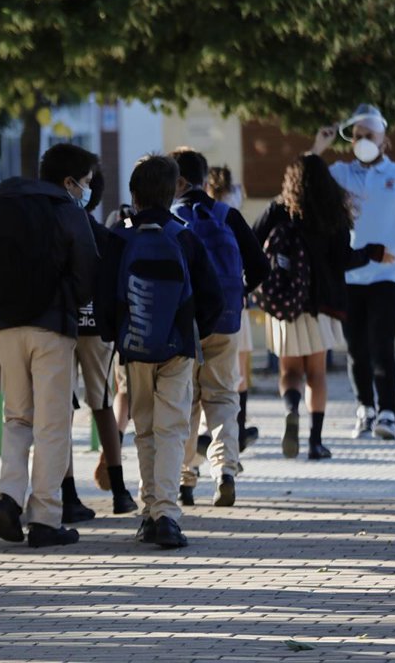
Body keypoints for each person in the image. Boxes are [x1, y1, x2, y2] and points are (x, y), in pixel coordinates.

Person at [0, 143, 99, 548]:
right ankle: (44, 517)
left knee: (17, 418)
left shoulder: (4, 203)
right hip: (52, 327)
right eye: (86, 182)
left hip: (5, 326)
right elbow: (88, 268)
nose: (86, 190)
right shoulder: (67, 211)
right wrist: (68, 301)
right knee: (52, 423)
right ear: (70, 181)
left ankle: (7, 495)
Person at [97, 155, 224, 548]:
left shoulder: (119, 237)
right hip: (177, 347)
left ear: (134, 195)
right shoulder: (184, 236)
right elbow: (213, 298)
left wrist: (115, 335)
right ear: (172, 194)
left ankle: (149, 512)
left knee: (146, 430)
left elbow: (103, 296)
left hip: (134, 347)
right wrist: (193, 331)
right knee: (172, 430)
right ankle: (167, 515)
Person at [252, 155, 393, 460]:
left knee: (289, 370)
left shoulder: (279, 209)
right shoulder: (333, 212)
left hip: (285, 304)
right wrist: (372, 253)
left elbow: (251, 242)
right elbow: (343, 259)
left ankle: (291, 410)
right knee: (316, 373)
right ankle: (315, 442)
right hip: (321, 306)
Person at [311, 104, 395, 441]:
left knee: (382, 345)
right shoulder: (339, 174)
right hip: (348, 277)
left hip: (385, 278)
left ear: (384, 141)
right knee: (356, 349)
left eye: (369, 135)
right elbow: (303, 181)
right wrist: (317, 148)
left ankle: (388, 414)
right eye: (358, 136)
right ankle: (365, 409)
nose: (363, 141)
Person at [171, 148, 269, 507]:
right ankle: (225, 470)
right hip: (227, 320)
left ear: (179, 182)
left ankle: (185, 479)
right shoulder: (227, 215)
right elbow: (261, 266)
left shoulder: (171, 217)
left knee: (186, 399)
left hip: (184, 323)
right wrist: (238, 292)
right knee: (224, 397)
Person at [72, 169, 136, 519]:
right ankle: (120, 489)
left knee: (60, 409)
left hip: (63, 327)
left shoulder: (61, 230)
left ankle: (67, 490)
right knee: (102, 403)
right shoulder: (104, 235)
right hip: (97, 328)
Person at [205, 166, 260, 451]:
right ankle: (236, 434)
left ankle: (203, 434)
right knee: (238, 370)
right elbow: (256, 262)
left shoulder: (198, 215)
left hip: (204, 305)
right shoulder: (231, 216)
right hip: (234, 303)